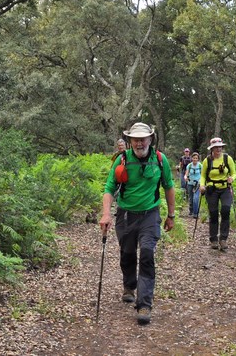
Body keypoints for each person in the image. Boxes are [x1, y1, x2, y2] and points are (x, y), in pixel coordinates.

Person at [100, 122, 175, 325]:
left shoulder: (160, 160)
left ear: (150, 139)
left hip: (150, 214)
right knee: (127, 253)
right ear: (130, 141)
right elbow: (109, 188)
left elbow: (168, 186)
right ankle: (129, 285)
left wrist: (171, 215)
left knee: (148, 253)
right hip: (126, 215)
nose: (139, 143)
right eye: (135, 139)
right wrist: (106, 214)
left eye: (143, 139)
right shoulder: (122, 160)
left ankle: (144, 304)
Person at [199, 137, 236, 251]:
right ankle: (214, 239)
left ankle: (223, 239)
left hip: (225, 188)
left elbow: (234, 173)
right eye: (216, 147)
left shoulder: (227, 158)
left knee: (225, 210)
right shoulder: (207, 160)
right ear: (212, 149)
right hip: (212, 189)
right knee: (213, 213)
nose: (218, 149)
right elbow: (203, 176)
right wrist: (202, 185)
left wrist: (232, 179)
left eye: (220, 147)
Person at [183, 152, 202, 217]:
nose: (195, 159)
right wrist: (185, 177)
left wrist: (201, 181)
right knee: (191, 198)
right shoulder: (189, 165)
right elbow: (186, 174)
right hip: (190, 183)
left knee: (196, 198)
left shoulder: (200, 166)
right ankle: (191, 210)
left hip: (197, 184)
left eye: (196, 158)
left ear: (198, 159)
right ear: (192, 158)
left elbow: (203, 175)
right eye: (194, 158)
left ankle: (195, 213)